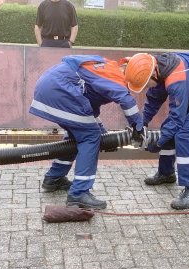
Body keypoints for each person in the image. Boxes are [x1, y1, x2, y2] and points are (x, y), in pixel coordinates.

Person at [29, 55, 144, 209]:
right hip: (61, 92)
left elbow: (88, 109)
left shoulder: (105, 67)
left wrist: (102, 132)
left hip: (51, 88)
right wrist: (138, 127)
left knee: (78, 136)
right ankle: (79, 193)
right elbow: (127, 100)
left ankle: (54, 179)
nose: (128, 87)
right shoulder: (116, 76)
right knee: (90, 137)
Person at [124, 52, 189, 210]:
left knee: (183, 135)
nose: (145, 88)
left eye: (146, 84)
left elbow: (177, 120)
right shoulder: (158, 68)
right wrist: (140, 124)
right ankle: (166, 173)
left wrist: (158, 142)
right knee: (168, 129)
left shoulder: (176, 78)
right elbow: (153, 101)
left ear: (153, 74)